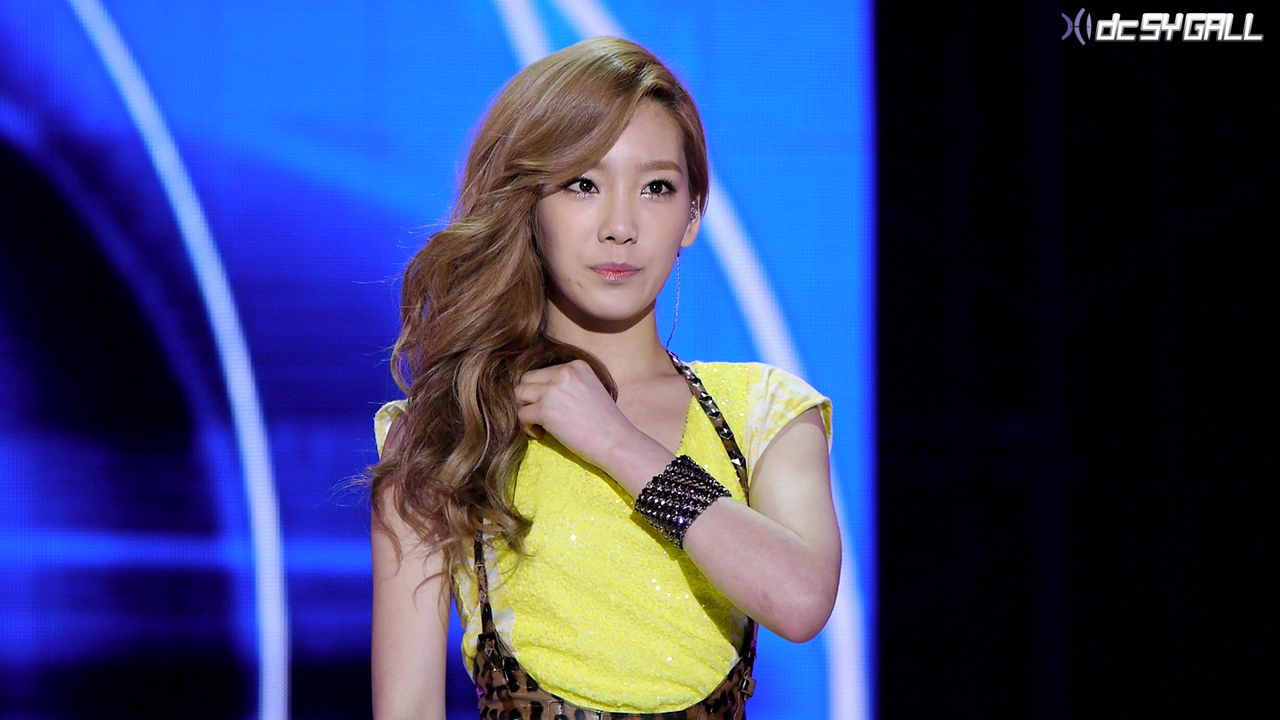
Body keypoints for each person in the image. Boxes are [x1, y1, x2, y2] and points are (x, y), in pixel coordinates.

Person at [368, 36, 840, 720]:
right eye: (583, 184)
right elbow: (408, 704)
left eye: (656, 188)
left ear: (692, 216)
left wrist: (617, 443)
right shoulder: (452, 426)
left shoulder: (763, 411)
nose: (621, 226)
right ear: (528, 205)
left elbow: (800, 601)